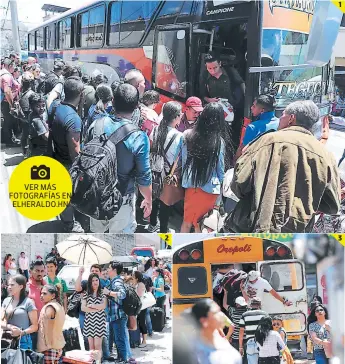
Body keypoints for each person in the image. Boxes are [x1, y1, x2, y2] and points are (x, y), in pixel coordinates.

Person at [225, 100, 341, 233]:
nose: (280, 119)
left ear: (291, 118)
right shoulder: (325, 154)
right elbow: (332, 205)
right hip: (296, 234)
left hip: (254, 228)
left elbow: (239, 183)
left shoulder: (267, 140)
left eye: (283, 115)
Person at [87, 83, 152, 233]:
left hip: (94, 194)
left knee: (97, 237)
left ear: (113, 101)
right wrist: (148, 200)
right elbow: (144, 176)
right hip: (121, 199)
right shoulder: (139, 137)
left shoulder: (96, 125)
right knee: (120, 244)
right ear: (136, 106)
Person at [180, 103, 225, 233]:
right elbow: (220, 169)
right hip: (210, 189)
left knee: (187, 222)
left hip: (192, 185)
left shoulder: (187, 135)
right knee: (204, 224)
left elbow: (184, 162)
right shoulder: (218, 141)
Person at [49, 77, 85, 233]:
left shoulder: (55, 107)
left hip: (55, 156)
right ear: (81, 94)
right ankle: (69, 224)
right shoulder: (73, 119)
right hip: (66, 164)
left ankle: (66, 218)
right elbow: (75, 151)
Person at [149, 101, 183, 233]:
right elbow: (179, 158)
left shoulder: (156, 129)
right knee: (165, 205)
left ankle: (152, 224)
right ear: (175, 117)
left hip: (154, 171)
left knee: (154, 198)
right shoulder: (179, 136)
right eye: (180, 114)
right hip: (168, 174)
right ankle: (163, 232)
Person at [189, 299, 242, 364]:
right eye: (216, 312)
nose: (221, 315)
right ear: (204, 321)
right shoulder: (192, 350)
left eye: (219, 311)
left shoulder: (228, 350)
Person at [103, 261, 134, 363]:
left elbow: (122, 294)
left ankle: (122, 360)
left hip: (118, 316)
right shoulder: (113, 281)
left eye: (109, 268)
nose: (107, 270)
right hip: (115, 316)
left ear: (114, 270)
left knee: (119, 340)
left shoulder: (117, 282)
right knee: (118, 339)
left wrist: (109, 293)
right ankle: (121, 359)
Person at [1, 274, 38, 349]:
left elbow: (35, 326)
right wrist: (9, 327)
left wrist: (21, 332)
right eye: (8, 285)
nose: (9, 287)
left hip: (23, 341)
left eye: (12, 285)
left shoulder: (29, 302)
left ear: (21, 287)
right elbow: (1, 321)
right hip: (6, 339)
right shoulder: (6, 301)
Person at [81, 274, 107, 362]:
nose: (95, 282)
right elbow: (83, 308)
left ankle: (99, 362)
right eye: (93, 280)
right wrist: (97, 308)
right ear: (90, 282)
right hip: (89, 322)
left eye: (96, 280)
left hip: (99, 322)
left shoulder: (103, 292)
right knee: (91, 348)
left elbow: (103, 306)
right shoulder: (86, 294)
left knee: (98, 347)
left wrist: (92, 306)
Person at [37, 285, 66, 364]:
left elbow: (48, 329)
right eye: (41, 293)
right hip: (56, 346)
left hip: (49, 348)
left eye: (44, 294)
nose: (41, 296)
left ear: (53, 295)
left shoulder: (50, 307)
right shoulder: (58, 305)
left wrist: (48, 346)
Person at [239, 297, 267, 364]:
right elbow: (268, 331)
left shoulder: (245, 315)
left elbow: (241, 332)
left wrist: (240, 347)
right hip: (263, 343)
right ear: (260, 305)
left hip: (250, 343)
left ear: (250, 305)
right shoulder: (264, 314)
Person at [27, 259, 46, 350]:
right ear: (30, 271)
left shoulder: (47, 286)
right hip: (31, 329)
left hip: (45, 328)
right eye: (37, 271)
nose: (40, 273)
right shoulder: (26, 288)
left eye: (42, 271)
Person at [0, 58, 17, 144]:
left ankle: (3, 139)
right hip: (6, 102)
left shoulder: (2, 73)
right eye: (14, 66)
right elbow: (7, 91)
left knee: (7, 120)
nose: (14, 67)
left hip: (3, 102)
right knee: (8, 121)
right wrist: (12, 105)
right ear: (10, 66)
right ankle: (9, 141)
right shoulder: (7, 76)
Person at [27, 93, 49, 157]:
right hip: (41, 152)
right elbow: (46, 136)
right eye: (38, 106)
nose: (42, 108)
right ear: (32, 107)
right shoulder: (37, 120)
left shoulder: (31, 114)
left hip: (34, 148)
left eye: (43, 105)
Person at [18, 72, 35, 155]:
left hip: (22, 118)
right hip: (29, 118)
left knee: (24, 135)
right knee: (28, 136)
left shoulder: (21, 93)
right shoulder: (31, 93)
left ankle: (25, 152)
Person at [132, 271, 148, 347]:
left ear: (137, 278)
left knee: (142, 323)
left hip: (142, 307)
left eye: (133, 276)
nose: (132, 277)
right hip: (138, 307)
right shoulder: (136, 284)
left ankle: (144, 341)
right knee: (138, 323)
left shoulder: (140, 284)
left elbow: (138, 295)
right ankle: (139, 340)